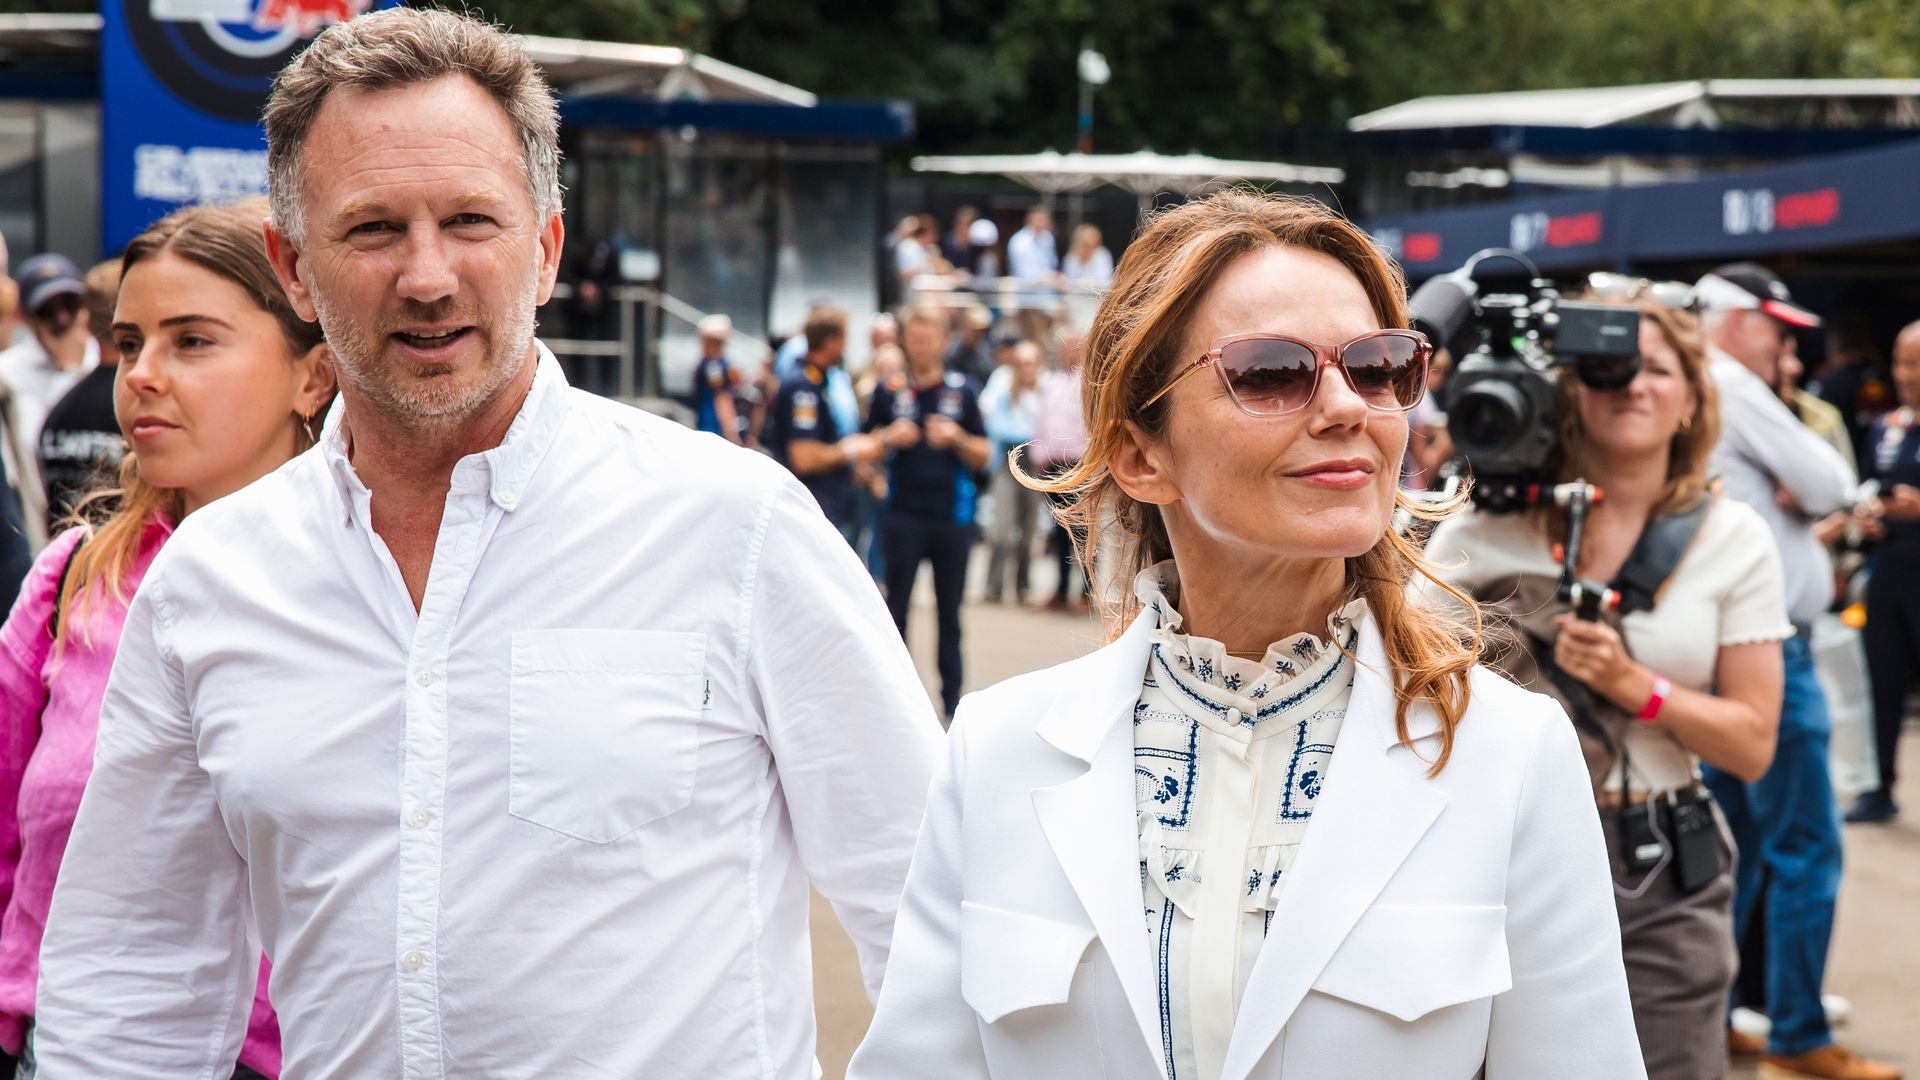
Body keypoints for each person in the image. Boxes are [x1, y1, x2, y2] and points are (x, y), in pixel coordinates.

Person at [31, 10, 940, 1077]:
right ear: (293, 268)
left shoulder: (733, 529)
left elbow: (933, 916)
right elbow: (135, 980)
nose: (427, 276)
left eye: (472, 220)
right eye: (371, 229)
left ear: (546, 247)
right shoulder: (210, 583)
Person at [850, 188, 1642, 1080]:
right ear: (1141, 454)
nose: (1350, 406)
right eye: (1272, 371)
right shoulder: (998, 749)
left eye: (1380, 365)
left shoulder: (1509, 753)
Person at [0, 197, 337, 1079]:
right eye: (128, 343)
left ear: (314, 376)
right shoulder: (73, 578)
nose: (142, 373)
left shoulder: (376, 592)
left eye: (192, 341)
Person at [1427, 295, 1790, 1080]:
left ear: (1693, 398)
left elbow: (1754, 745)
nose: (1630, 385)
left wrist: (1637, 685)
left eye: (1655, 368)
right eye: (1605, 368)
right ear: (1566, 392)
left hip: (1655, 865)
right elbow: (1403, 698)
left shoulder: (1734, 541)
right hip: (1496, 860)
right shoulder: (1479, 533)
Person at [1691, 264, 1893, 1080]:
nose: (1785, 343)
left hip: (1720, 646)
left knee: (1730, 845)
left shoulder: (1702, 386)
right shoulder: (1733, 385)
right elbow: (1832, 482)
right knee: (1805, 841)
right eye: (1775, 326)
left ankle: (1725, 1015)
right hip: (1770, 649)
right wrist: (1799, 495)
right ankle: (1798, 1035)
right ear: (1737, 319)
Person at [868, 305, 990, 718]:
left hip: (951, 518)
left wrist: (957, 438)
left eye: (927, 339)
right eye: (913, 339)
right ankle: (892, 700)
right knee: (896, 608)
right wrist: (886, 438)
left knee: (949, 612)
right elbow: (865, 447)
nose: (919, 347)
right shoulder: (890, 391)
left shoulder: (963, 390)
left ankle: (953, 704)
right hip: (902, 515)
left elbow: (985, 453)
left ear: (942, 341)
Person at [1851, 319, 1920, 825]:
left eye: (1915, 362)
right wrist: (1871, 517)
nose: (1905, 373)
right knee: (1882, 682)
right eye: (1900, 361)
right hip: (1890, 572)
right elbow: (1868, 487)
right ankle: (1879, 788)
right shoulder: (1886, 426)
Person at [764, 306, 880, 531]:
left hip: (827, 501)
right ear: (830, 342)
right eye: (844, 339)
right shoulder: (803, 387)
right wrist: (851, 450)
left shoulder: (820, 379)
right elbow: (804, 458)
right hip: (809, 507)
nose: (846, 347)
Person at [37, 259, 128, 528]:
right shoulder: (143, 405)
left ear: (85, 323)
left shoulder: (60, 411)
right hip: (127, 561)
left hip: (65, 560)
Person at [0, 255, 98, 450]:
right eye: (47, 310)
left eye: (69, 304)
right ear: (25, 317)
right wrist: (66, 368)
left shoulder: (104, 357)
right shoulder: (7, 372)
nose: (61, 318)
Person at [1029, 327, 1091, 608]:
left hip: (1081, 465)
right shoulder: (1051, 384)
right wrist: (1038, 455)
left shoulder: (1090, 385)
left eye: (1075, 347)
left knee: (1086, 532)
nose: (1071, 353)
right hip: (1054, 466)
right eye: (1066, 347)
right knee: (1058, 530)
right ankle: (1061, 588)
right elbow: (1042, 422)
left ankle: (1086, 593)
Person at [979, 340, 1042, 604]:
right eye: (1021, 363)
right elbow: (994, 423)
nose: (1026, 369)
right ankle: (993, 587)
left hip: (1035, 462)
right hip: (1007, 460)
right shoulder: (1002, 386)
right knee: (1002, 527)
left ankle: (1022, 587)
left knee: (1028, 529)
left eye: (1031, 363)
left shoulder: (1044, 390)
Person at [691, 312, 745, 445]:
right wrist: (732, 434)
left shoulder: (714, 365)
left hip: (713, 429)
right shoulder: (715, 366)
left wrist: (730, 432)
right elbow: (722, 398)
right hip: (712, 428)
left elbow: (722, 398)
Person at [945, 303, 995, 385]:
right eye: (975, 330)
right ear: (966, 327)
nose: (978, 334)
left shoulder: (987, 350)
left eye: (982, 330)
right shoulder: (952, 352)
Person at [1062, 222, 1114, 288]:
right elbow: (1067, 281)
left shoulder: (1102, 254)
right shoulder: (1071, 257)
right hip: (1075, 295)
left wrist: (1078, 283)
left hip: (1096, 294)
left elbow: (1105, 279)